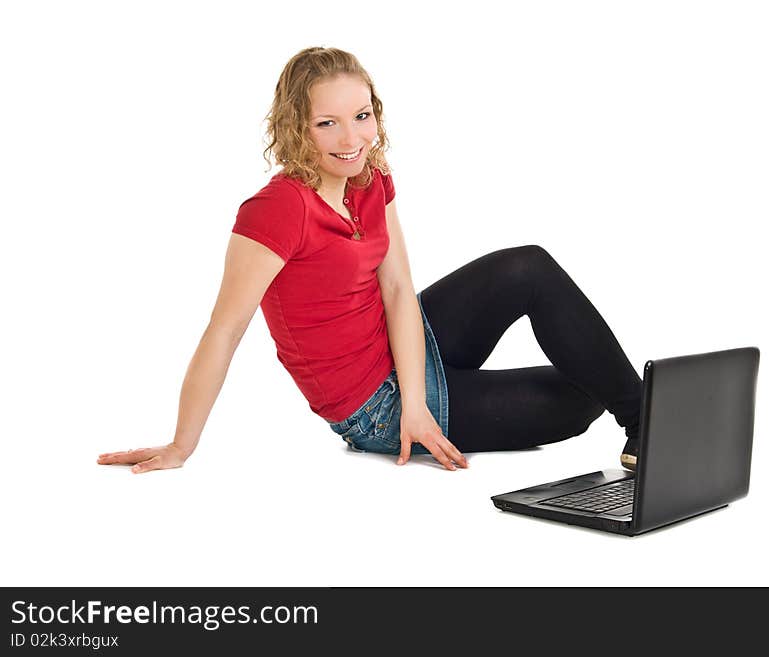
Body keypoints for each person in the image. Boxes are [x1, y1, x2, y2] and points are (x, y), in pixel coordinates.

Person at [97, 47, 643, 475]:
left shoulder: (369, 180)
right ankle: (632, 410)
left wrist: (420, 393)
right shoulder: (277, 211)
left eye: (361, 115)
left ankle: (647, 422)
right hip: (371, 405)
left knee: (529, 268)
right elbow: (225, 329)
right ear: (295, 128)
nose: (352, 138)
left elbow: (400, 291)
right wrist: (181, 445)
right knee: (579, 398)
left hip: (404, 348)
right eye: (327, 123)